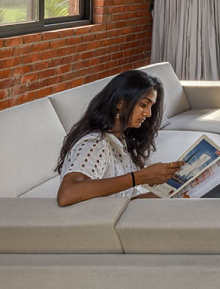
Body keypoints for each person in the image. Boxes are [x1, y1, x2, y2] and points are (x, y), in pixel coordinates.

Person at [55, 70, 182, 206]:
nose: (149, 113)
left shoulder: (122, 139)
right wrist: (142, 176)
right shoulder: (96, 143)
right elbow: (67, 194)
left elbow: (123, 200)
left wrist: (168, 192)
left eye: (151, 106)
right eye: (143, 105)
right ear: (120, 103)